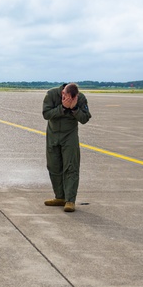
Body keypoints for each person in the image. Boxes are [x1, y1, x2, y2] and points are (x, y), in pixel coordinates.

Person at [42, 83, 92, 213]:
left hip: (69, 136)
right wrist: (62, 107)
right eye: (64, 95)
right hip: (53, 136)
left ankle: (70, 200)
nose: (65, 98)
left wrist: (74, 108)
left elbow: (85, 118)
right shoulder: (51, 94)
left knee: (71, 167)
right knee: (53, 166)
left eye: (70, 97)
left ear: (75, 96)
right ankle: (60, 197)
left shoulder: (80, 99)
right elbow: (46, 114)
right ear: (62, 92)